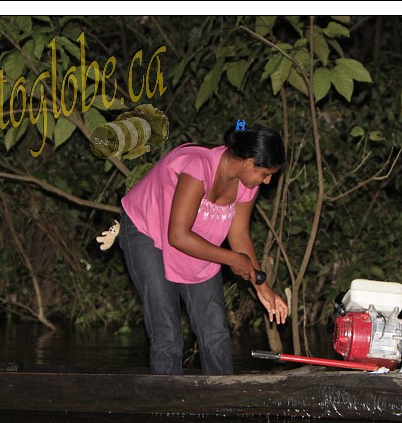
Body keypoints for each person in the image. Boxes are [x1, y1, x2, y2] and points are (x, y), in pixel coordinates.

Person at [118, 121, 289, 375]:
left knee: (215, 330)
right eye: (265, 174)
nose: (267, 181)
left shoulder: (246, 184)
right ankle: (169, 405)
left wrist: (262, 285)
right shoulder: (198, 166)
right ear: (247, 162)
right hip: (148, 233)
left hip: (198, 240)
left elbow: (239, 235)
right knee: (167, 333)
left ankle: (221, 401)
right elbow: (177, 235)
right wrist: (232, 259)